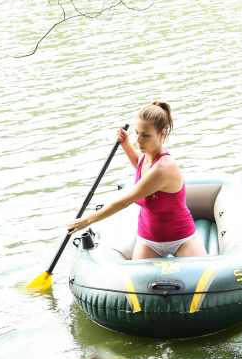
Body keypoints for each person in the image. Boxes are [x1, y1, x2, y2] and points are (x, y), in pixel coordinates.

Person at [67, 101, 208, 259]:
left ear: (162, 134)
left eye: (145, 135)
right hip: (149, 238)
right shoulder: (146, 156)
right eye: (137, 132)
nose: (138, 140)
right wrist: (126, 144)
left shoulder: (164, 168)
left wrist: (87, 220)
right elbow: (140, 165)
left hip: (181, 237)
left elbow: (123, 202)